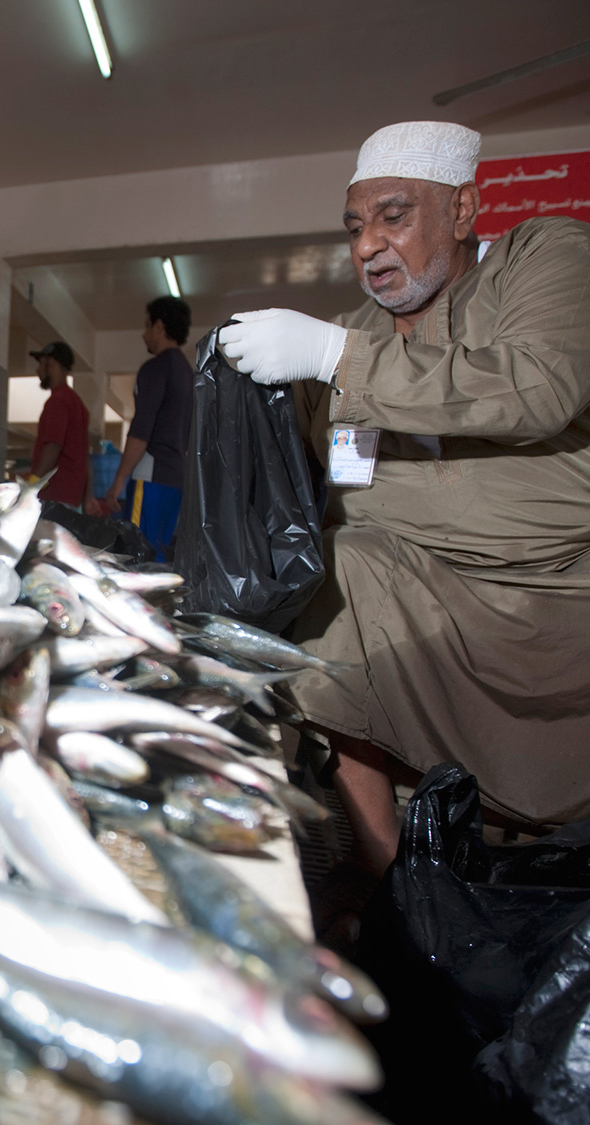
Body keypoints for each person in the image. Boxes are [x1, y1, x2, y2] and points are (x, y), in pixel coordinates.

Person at [219, 120, 590, 888]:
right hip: (407, 583)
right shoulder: (353, 332)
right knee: (331, 574)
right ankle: (390, 883)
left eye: (394, 216)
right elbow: (333, 482)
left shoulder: (545, 257)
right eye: (356, 227)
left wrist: (333, 355)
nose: (366, 247)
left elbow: (536, 387)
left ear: (462, 211)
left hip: (550, 591)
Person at [93, 296, 194, 561]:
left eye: (147, 326)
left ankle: (146, 603)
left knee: (139, 550)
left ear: (159, 327)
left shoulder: (155, 368)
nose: (143, 334)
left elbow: (141, 429)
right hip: (175, 477)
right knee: (159, 549)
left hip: (151, 475)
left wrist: (119, 480)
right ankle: (163, 602)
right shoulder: (187, 372)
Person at [28, 341, 90, 508]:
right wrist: (88, 496)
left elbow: (53, 447)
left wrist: (32, 484)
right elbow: (84, 456)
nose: (38, 370)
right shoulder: (76, 402)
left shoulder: (58, 401)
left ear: (52, 363)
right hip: (71, 496)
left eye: (41, 364)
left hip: (55, 493)